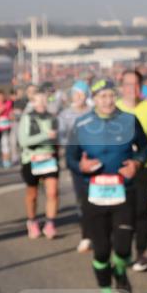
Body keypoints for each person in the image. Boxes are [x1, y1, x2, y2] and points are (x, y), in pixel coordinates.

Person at [67, 79, 147, 293]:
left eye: (111, 95)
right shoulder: (82, 124)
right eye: (102, 96)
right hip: (94, 195)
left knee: (123, 248)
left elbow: (144, 148)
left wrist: (137, 163)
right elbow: (70, 158)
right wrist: (81, 167)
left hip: (123, 192)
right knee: (101, 249)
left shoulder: (129, 121)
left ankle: (121, 271)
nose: (107, 101)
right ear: (94, 98)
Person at [117, 70, 147, 272]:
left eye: (136, 84)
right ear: (121, 87)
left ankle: (141, 254)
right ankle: (122, 252)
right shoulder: (113, 108)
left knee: (142, 210)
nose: (132, 89)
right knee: (121, 213)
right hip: (117, 170)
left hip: (143, 167)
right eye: (128, 84)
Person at [18, 87, 60, 239]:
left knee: (53, 192)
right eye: (38, 100)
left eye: (45, 99)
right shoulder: (27, 118)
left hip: (49, 159)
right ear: (33, 102)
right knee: (32, 194)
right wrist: (45, 135)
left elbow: (57, 138)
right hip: (31, 159)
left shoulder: (52, 117)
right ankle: (32, 221)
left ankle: (50, 223)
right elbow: (23, 141)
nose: (42, 103)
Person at [58, 81, 94, 252]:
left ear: (86, 95)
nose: (77, 97)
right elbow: (61, 136)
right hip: (76, 160)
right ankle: (86, 235)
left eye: (80, 93)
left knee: (96, 196)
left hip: (95, 158)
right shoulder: (65, 115)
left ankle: (99, 231)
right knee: (82, 198)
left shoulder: (94, 112)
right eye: (75, 94)